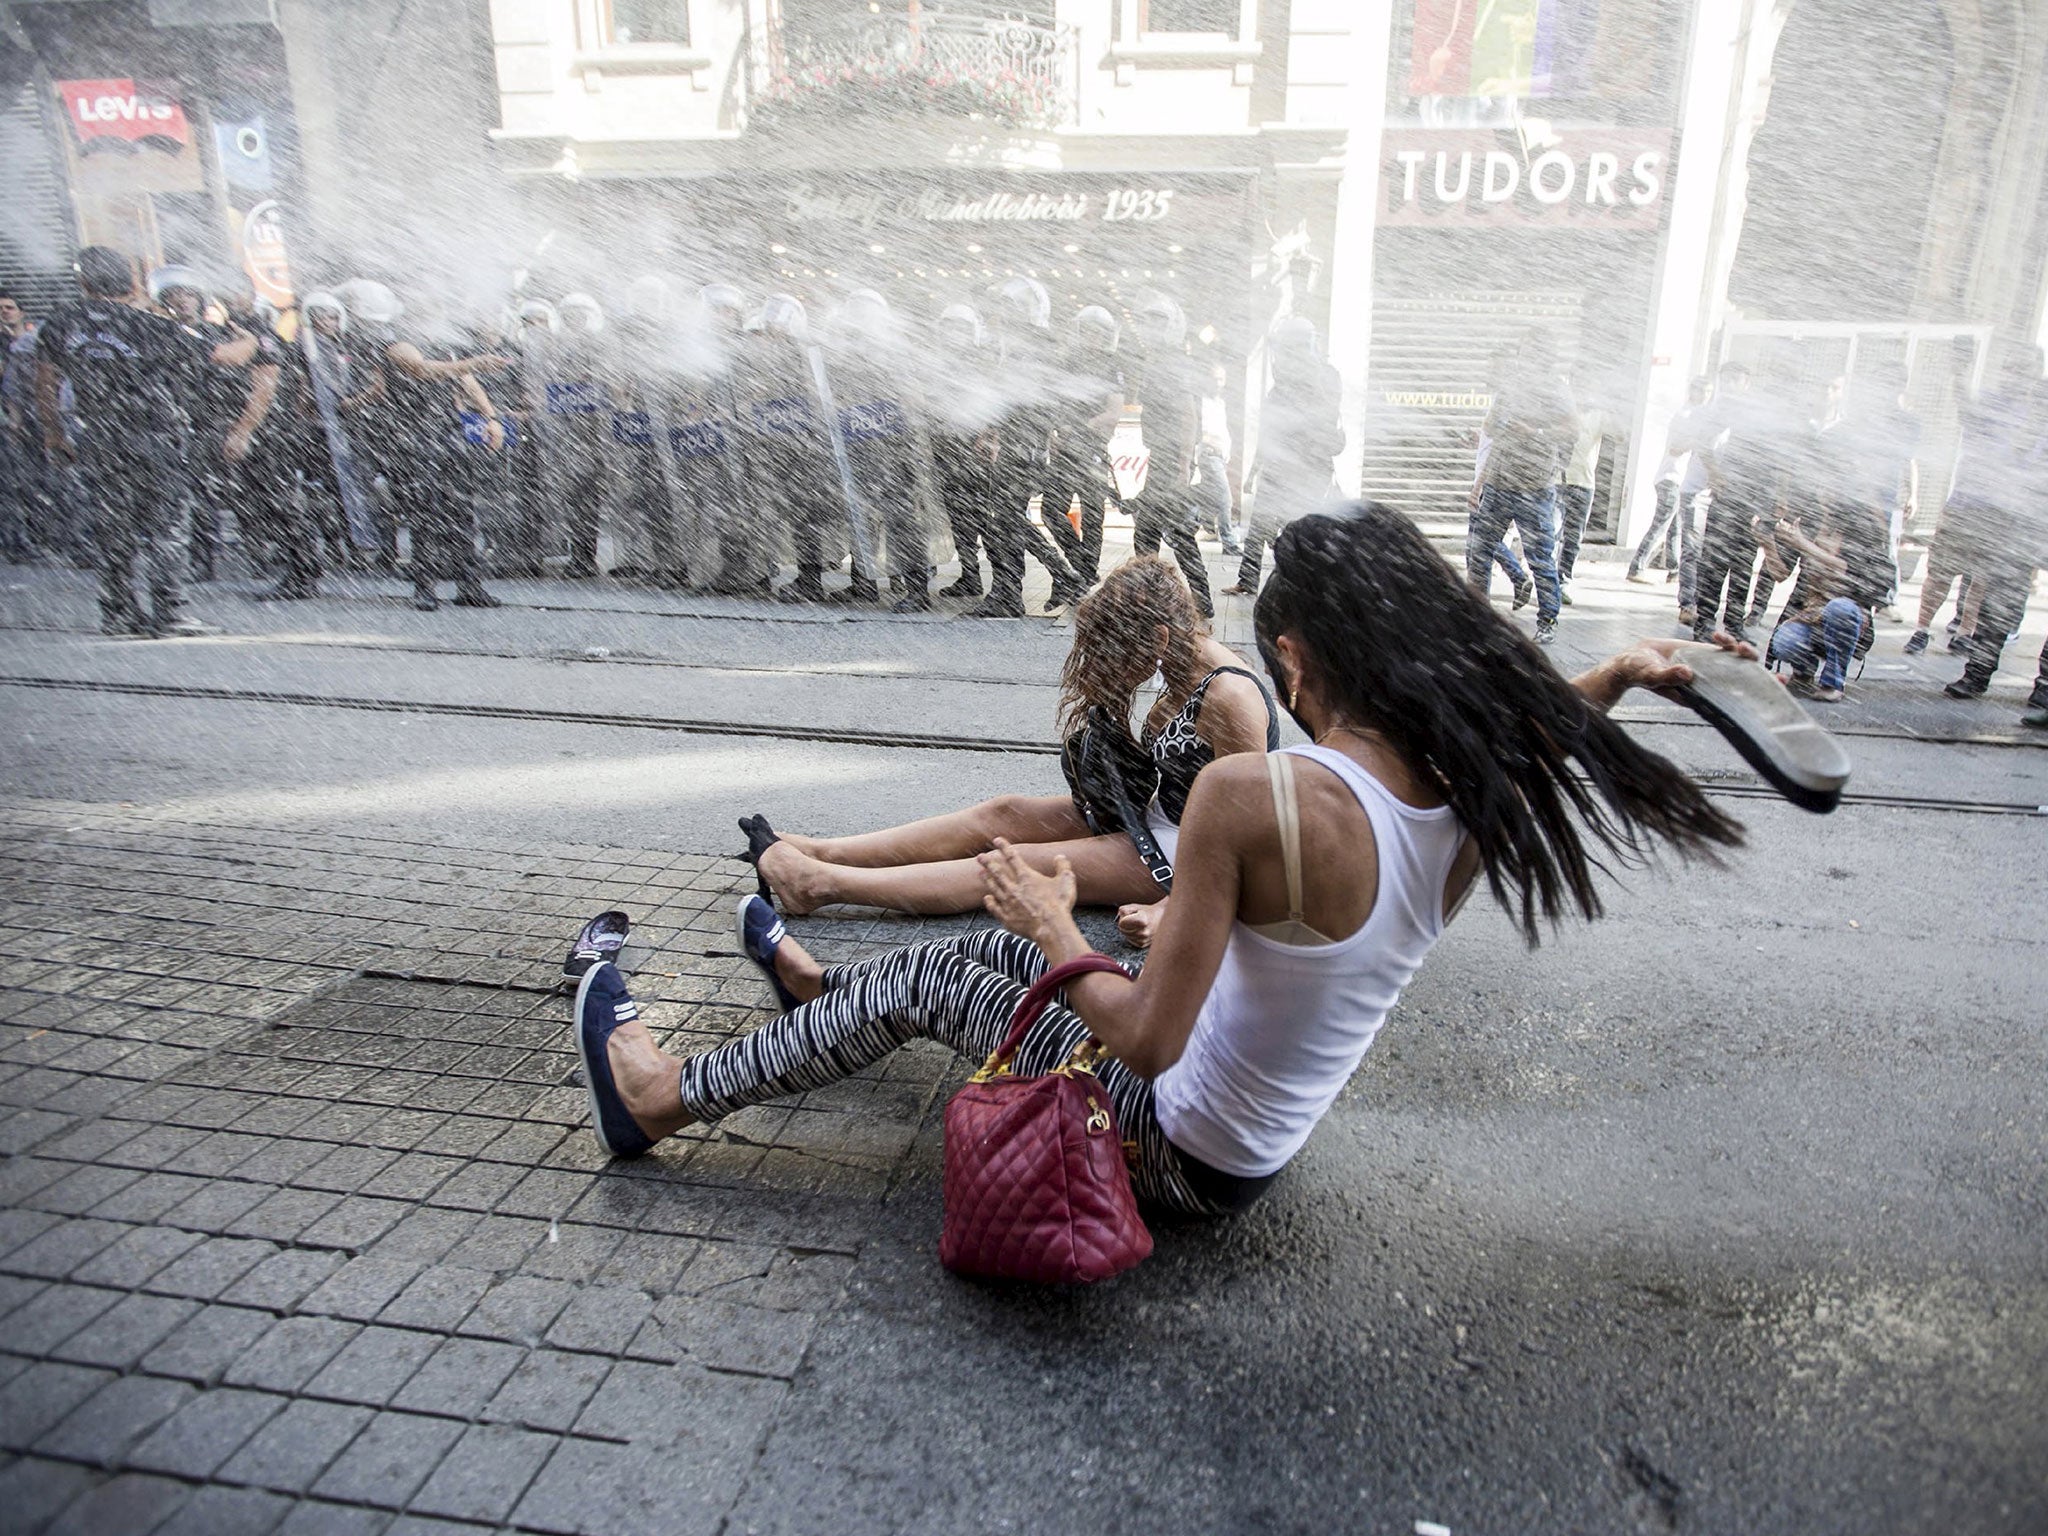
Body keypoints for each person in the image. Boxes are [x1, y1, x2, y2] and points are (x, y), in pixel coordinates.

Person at [567, 504, 1746, 1216]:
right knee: (974, 955)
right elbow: (1538, 724)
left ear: (1291, 656)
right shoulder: (1480, 791)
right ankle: (823, 1000)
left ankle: (663, 1099)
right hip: (1254, 1148)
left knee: (952, 972)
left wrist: (1054, 921)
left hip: (1170, 1150)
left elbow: (1145, 1042)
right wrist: (1619, 677)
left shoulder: (1251, 794)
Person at [744, 556, 1277, 924]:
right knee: (1001, 813)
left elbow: (1252, 838)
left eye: (1115, 649)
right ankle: (824, 851)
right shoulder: (1183, 664)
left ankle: (818, 886)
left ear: (1160, 637)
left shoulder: (1230, 699)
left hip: (1187, 854)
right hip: (1157, 815)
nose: (1106, 665)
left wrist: (1172, 912)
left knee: (1007, 866)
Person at [36, 246, 258, 636]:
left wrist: (54, 434)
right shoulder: (148, 324)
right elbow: (225, 357)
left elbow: (45, 382)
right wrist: (251, 341)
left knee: (113, 526)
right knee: (166, 524)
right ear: (130, 281)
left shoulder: (60, 323)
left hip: (100, 436)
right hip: (153, 436)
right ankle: (169, 611)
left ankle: (119, 611)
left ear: (83, 281)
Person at [365, 282, 513, 611]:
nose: (433, 312)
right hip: (411, 435)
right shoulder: (393, 341)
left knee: (462, 511)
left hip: (447, 432)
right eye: (426, 306)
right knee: (424, 512)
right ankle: (425, 587)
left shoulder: (444, 343)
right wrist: (470, 363)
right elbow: (421, 369)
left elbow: (466, 381)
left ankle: (469, 585)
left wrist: (491, 417)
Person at [1940, 343, 2047, 701]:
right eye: (2012, 369)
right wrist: (1959, 373)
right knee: (1999, 603)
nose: (2015, 377)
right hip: (2009, 521)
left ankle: (2044, 689)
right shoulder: (1996, 403)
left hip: (2037, 515)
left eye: (2022, 370)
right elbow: (1968, 414)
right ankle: (1976, 675)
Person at [975, 277, 1084, 619]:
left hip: (1024, 445)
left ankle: (1011, 593)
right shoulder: (1024, 342)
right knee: (1006, 521)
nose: (1005, 314)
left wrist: (1001, 431)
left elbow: (1024, 396)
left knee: (1004, 520)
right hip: (1020, 442)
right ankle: (1042, 583)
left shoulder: (1033, 344)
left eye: (1011, 307)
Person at [1463, 329, 1573, 643]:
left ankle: (1548, 619)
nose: (1523, 358)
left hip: (1535, 487)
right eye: (1522, 352)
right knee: (1479, 551)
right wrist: (1479, 483)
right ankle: (1478, 617)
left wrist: (1535, 431)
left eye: (1529, 352)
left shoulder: (1556, 389)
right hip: (1499, 483)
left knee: (1540, 558)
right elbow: (1492, 432)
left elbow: (1572, 430)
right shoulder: (1510, 388)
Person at [826, 289, 930, 612]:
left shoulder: (893, 351)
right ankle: (865, 580)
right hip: (858, 447)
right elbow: (835, 396)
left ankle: (917, 587)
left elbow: (913, 398)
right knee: (859, 515)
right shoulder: (844, 355)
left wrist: (886, 416)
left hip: (892, 449)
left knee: (900, 519)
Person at [1225, 316, 1342, 598]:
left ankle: (1305, 582)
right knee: (1261, 526)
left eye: (1289, 348)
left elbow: (1326, 417)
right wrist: (1255, 469)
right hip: (1280, 466)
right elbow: (1270, 429)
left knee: (1302, 527)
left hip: (1309, 467)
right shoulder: (1282, 382)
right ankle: (1249, 580)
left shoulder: (1324, 376)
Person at [1124, 289, 1214, 618]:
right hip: (1163, 458)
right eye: (1147, 321)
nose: (1151, 328)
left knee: (1158, 529)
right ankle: (1168, 594)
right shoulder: (1158, 360)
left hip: (1172, 460)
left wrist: (1182, 464)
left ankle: (1148, 595)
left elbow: (1187, 413)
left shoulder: (1173, 362)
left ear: (1173, 325)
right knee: (1167, 529)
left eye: (1158, 321)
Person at [1757, 500, 1890, 702]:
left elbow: (1848, 569)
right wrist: (1766, 542)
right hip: (1811, 615)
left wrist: (1804, 545)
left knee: (1839, 609)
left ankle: (1833, 682)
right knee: (1784, 643)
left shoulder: (1860, 533)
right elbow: (1779, 573)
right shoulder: (1809, 527)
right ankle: (1804, 670)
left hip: (1847, 615)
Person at [1040, 304, 1124, 588]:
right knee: (1051, 509)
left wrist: (1078, 430)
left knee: (1092, 515)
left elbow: (1114, 412)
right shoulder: (1067, 361)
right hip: (1064, 450)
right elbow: (1054, 402)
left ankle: (1086, 572)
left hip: (1091, 450)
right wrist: (1053, 431)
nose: (1092, 337)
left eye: (1098, 332)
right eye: (1087, 331)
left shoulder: (1112, 365)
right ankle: (1080, 562)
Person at [926, 303, 1001, 601]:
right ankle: (969, 574)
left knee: (984, 518)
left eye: (961, 328)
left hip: (974, 449)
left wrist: (987, 437)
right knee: (958, 517)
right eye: (950, 327)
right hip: (946, 448)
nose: (954, 333)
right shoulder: (935, 361)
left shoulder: (981, 361)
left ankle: (1000, 583)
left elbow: (991, 402)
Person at [1627, 376, 1707, 584]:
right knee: (1661, 525)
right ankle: (1637, 566)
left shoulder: (1693, 415)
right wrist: (1698, 442)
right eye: (1704, 392)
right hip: (1671, 478)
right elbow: (1675, 447)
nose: (1707, 397)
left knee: (1674, 527)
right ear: (1695, 392)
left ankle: (1674, 570)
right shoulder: (1686, 415)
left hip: (1677, 480)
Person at [1554, 397, 1606, 599]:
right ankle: (1547, 580)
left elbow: (1621, 435)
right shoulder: (1563, 407)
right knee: (1552, 531)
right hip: (1559, 480)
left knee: (1573, 537)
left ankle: (1563, 581)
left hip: (1584, 484)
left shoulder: (1600, 415)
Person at [1193, 359, 1241, 555]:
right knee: (1224, 497)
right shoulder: (1201, 401)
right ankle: (1228, 542)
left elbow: (1222, 429)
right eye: (1215, 378)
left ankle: (1186, 518)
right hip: (1209, 455)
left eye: (1222, 379)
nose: (1218, 383)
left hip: (1220, 457)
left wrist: (1226, 450)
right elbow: (1201, 430)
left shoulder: (1220, 402)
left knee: (1207, 496)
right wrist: (1212, 444)